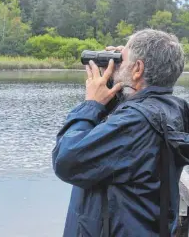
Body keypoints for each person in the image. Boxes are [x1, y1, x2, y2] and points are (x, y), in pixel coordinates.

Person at [52, 29, 189, 237]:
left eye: (121, 59)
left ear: (138, 69)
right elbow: (128, 119)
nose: (115, 64)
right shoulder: (172, 109)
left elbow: (66, 160)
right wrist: (117, 83)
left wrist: (91, 104)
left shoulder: (135, 123)